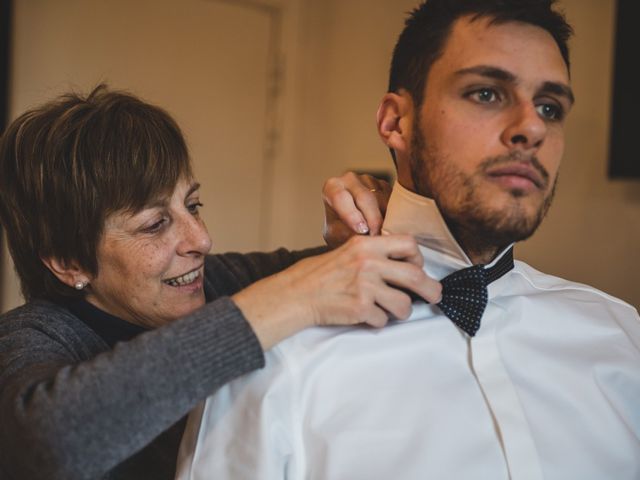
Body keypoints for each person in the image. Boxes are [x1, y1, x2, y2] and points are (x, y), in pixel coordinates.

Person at [175, 1, 640, 479]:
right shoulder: (272, 364)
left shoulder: (622, 339)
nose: (533, 127)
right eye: (486, 93)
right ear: (396, 122)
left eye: (550, 106)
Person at [0, 86, 442, 480]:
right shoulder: (29, 338)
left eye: (193, 204)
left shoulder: (217, 281)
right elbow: (48, 443)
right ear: (68, 262)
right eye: (155, 225)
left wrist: (368, 225)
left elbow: (348, 272)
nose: (202, 239)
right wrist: (289, 300)